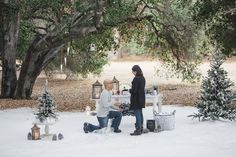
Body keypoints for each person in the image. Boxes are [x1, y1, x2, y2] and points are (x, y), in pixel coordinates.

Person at [129, 65, 146, 136]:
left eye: (133, 71)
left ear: (136, 71)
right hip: (141, 98)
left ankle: (138, 129)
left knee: (137, 114)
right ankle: (141, 128)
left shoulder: (136, 79)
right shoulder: (142, 78)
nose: (132, 73)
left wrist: (130, 90)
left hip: (136, 99)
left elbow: (134, 90)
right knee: (140, 113)